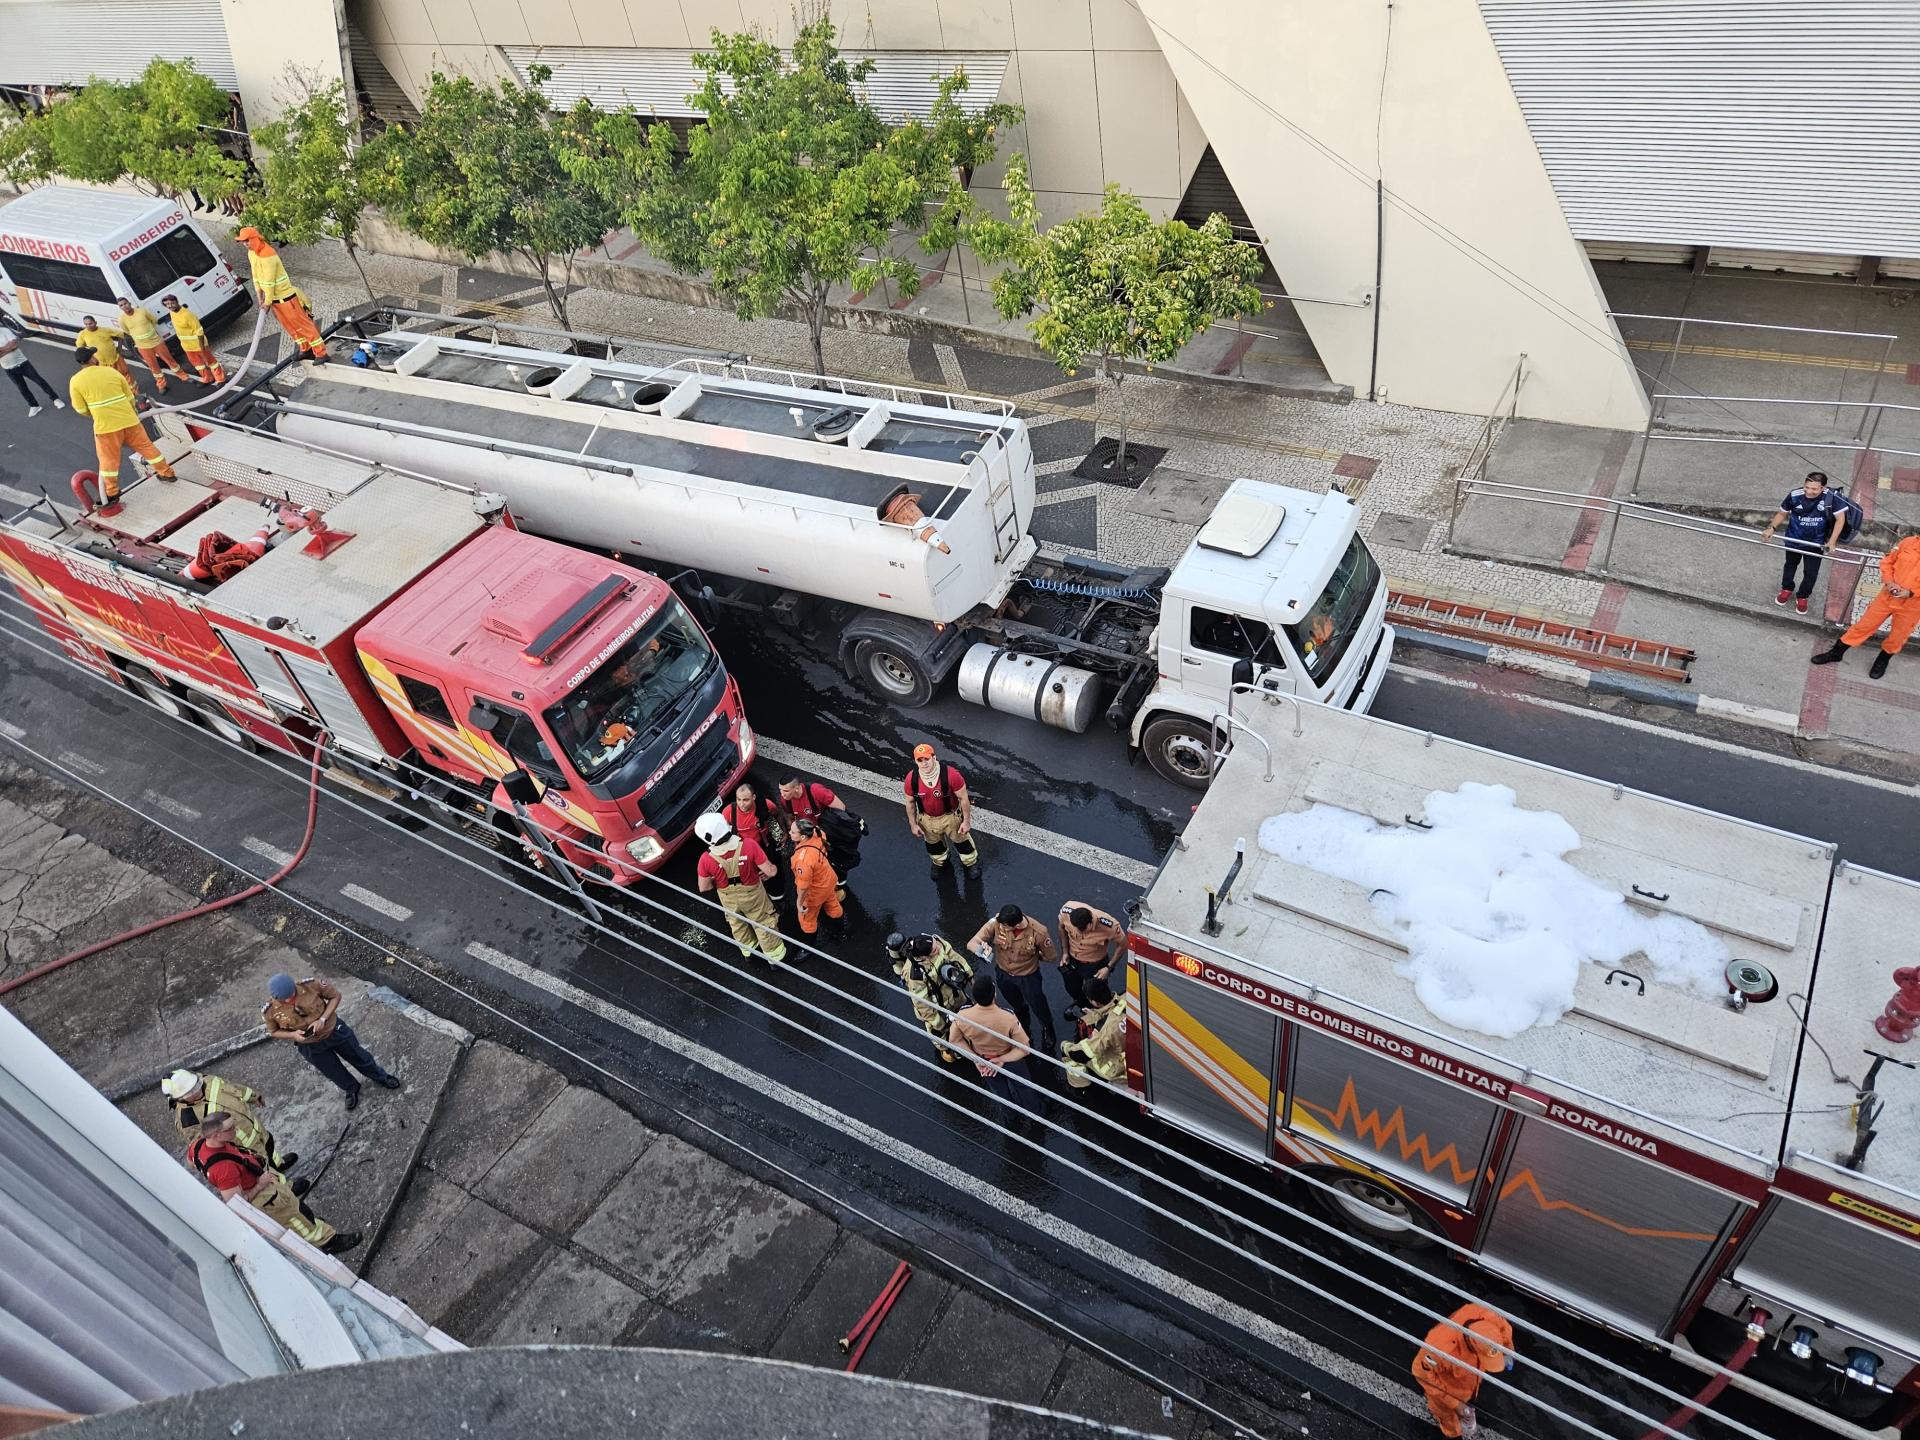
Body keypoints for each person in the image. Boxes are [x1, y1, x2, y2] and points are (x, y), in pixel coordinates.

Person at [188, 1113, 359, 1256]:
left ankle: (312, 1227)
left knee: (298, 1215)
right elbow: (237, 1203)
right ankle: (328, 1241)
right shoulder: (224, 1170)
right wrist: (260, 1185)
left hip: (264, 1188)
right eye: (230, 1129)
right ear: (215, 1135)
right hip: (266, 1198)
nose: (236, 1130)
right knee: (297, 1216)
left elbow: (192, 1162)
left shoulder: (197, 1146)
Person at [262, 973, 401, 1112]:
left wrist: (322, 1019)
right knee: (332, 1071)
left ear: (294, 986)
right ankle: (351, 1088)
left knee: (359, 1056)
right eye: (284, 999)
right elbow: (274, 1031)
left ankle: (381, 1077)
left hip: (334, 1030)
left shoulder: (311, 985)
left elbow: (335, 996)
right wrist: (293, 1034)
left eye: (291, 995)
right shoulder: (270, 1010)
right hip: (310, 1045)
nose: (288, 999)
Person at [161, 1069, 301, 1190]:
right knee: (264, 1170)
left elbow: (233, 1088)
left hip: (256, 1129)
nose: (197, 1090)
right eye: (191, 1091)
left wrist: (253, 1096)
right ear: (178, 1099)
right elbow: (204, 1146)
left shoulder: (207, 1080)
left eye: (196, 1085)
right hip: (246, 1149)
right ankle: (287, 1188)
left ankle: (279, 1164)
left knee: (269, 1146)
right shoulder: (188, 1119)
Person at [69, 348, 174, 509]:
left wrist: (95, 414)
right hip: (130, 421)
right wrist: (129, 411)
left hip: (106, 428)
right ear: (90, 359)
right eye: (93, 355)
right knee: (147, 448)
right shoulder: (111, 372)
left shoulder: (76, 381)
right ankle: (167, 473)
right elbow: (130, 396)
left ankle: (111, 492)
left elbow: (80, 409)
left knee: (108, 460)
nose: (96, 357)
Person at [1811, 534, 1920, 680]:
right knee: (1864, 626)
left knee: (1898, 636)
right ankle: (1836, 653)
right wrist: (1888, 582)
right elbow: (1888, 562)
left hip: (1912, 606)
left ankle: (1882, 661)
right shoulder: (1909, 542)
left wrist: (1911, 592)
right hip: (1887, 597)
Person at [694, 811, 787, 962]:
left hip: (728, 898)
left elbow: (704, 887)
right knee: (763, 922)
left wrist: (717, 877)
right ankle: (775, 957)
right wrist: (773, 870)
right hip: (752, 893)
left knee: (737, 924)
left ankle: (749, 953)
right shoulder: (749, 845)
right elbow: (770, 871)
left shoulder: (705, 859)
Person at [968, 903, 1059, 1055]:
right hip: (1004, 974)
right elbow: (972, 943)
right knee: (1017, 1004)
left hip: (1028, 977)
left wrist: (1033, 958)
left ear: (1016, 924)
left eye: (1006, 927)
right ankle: (1023, 1025)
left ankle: (1048, 1028)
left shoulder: (1039, 932)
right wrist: (982, 949)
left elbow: (1051, 956)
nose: (1002, 928)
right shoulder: (997, 922)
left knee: (1038, 1005)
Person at [1411, 1303, 1514, 1437]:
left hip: (1469, 1382)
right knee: (1448, 1418)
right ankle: (1452, 1433)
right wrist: (1455, 1404)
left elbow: (1505, 1329)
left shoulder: (1489, 1317)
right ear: (1471, 1345)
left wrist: (1508, 1350)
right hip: (1446, 1390)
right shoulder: (1440, 1348)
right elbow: (1420, 1372)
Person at [947, 973, 1042, 1114]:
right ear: (994, 994)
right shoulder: (1008, 1017)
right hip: (1010, 1058)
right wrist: (1001, 1059)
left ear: (974, 997)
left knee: (1001, 1093)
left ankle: (1010, 1116)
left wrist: (976, 1060)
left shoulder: (963, 1016)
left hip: (984, 1061)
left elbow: (954, 1040)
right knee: (1024, 1088)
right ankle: (1036, 1112)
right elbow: (1024, 1048)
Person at [1760, 471, 1849, 614]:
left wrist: (1832, 541)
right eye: (1807, 487)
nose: (1809, 491)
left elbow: (1840, 519)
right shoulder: (1795, 495)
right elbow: (1782, 513)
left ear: (1823, 488)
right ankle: (1787, 588)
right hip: (1794, 539)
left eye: (1814, 489)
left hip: (1816, 542)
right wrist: (1771, 528)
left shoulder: (1831, 498)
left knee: (1811, 573)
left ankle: (1803, 596)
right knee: (1790, 565)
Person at [237, 226, 328, 362]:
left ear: (255, 239)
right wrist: (260, 297)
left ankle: (321, 354)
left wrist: (266, 303)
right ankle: (306, 349)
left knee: (305, 327)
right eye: (242, 241)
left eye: (247, 241)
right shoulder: (252, 253)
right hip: (275, 301)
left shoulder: (268, 255)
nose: (245, 244)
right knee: (292, 328)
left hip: (286, 299)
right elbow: (255, 276)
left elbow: (269, 282)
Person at [885, 931, 976, 1062]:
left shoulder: (937, 943)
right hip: (938, 1007)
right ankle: (947, 1050)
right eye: (934, 949)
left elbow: (956, 958)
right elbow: (923, 1006)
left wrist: (970, 976)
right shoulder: (914, 975)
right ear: (924, 957)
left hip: (955, 994)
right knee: (939, 1033)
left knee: (968, 1011)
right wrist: (940, 1024)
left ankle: (968, 1036)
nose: (938, 948)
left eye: (936, 944)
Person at [903, 743, 977, 873]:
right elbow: (910, 803)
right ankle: (940, 861)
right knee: (934, 846)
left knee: (962, 843)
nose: (924, 763)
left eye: (927, 759)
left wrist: (966, 821)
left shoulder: (952, 775)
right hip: (927, 820)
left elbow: (964, 799)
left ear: (934, 757)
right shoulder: (911, 779)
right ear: (915, 761)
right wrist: (913, 824)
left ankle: (970, 863)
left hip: (950, 818)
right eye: (920, 760)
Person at [721, 780, 787, 900]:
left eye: (746, 800)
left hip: (764, 844)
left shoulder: (766, 804)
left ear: (754, 797)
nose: (742, 804)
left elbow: (777, 815)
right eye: (738, 799)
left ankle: (777, 894)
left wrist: (784, 833)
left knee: (775, 869)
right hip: (744, 849)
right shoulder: (728, 812)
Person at [1060, 977, 1127, 1089]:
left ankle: (1080, 1086)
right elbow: (1113, 1012)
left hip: (1121, 1068)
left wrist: (1067, 1048)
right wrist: (1095, 1015)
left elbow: (1083, 1053)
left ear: (1094, 1002)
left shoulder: (1104, 1029)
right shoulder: (1127, 997)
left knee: (1068, 1052)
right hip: (1139, 1053)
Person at [787, 817, 847, 941]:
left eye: (793, 832)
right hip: (828, 882)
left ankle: (809, 946)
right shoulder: (818, 833)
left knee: (807, 919)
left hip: (814, 893)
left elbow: (803, 887)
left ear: (803, 837)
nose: (789, 833)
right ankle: (840, 933)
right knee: (833, 906)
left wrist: (799, 903)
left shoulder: (802, 860)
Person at [1056, 901, 1124, 1007]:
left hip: (1095, 966)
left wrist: (1108, 967)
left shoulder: (1108, 925)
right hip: (1072, 959)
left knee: (1098, 995)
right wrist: (1065, 952)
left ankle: (1103, 1014)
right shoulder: (1066, 911)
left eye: (1084, 929)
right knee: (1072, 989)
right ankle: (1083, 1007)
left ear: (1091, 922)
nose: (1080, 933)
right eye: (1077, 929)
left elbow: (1123, 944)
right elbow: (1061, 927)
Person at [115, 296, 189, 392]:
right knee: (153, 366)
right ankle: (161, 384)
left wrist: (150, 332)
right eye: (121, 305)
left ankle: (183, 376)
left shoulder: (142, 311)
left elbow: (153, 320)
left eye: (125, 303)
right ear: (119, 307)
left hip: (156, 341)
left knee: (169, 360)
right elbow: (127, 331)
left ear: (129, 303)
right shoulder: (122, 319)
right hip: (143, 346)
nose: (124, 306)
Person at [0, 315, 62, 416]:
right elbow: (11, 347)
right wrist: (9, 348)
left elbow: (15, 345)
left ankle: (56, 399)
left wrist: (2, 350)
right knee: (22, 389)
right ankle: (34, 406)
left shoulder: (5, 331)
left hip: (23, 363)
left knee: (39, 381)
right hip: (9, 369)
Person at [161, 294, 226, 386]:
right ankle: (207, 378)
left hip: (198, 345)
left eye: (172, 303)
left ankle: (220, 379)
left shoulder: (188, 314)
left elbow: (199, 331)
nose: (170, 306)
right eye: (167, 304)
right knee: (198, 364)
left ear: (177, 301)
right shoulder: (172, 313)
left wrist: (202, 346)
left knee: (210, 362)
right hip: (187, 346)